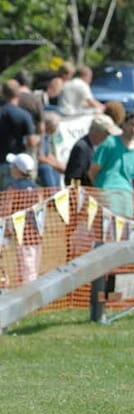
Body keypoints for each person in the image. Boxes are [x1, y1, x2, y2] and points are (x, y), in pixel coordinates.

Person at [88, 112, 134, 218]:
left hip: (127, 195)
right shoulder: (109, 143)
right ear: (124, 124)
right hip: (106, 191)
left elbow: (133, 177)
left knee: (125, 225)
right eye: (131, 124)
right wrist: (98, 189)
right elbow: (93, 171)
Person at [2, 153, 43, 283]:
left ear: (17, 169)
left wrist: (5, 228)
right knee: (31, 268)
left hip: (22, 234)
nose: (10, 168)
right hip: (36, 234)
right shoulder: (37, 188)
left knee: (26, 271)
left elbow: (6, 209)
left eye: (13, 166)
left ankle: (30, 294)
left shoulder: (12, 186)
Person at [0, 80, 39, 190]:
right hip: (16, 166)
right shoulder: (23, 115)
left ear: (3, 93)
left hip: (5, 162)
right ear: (18, 94)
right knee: (16, 198)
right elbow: (32, 142)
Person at [64, 114, 120, 186]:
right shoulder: (81, 148)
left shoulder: (96, 147)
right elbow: (74, 177)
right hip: (83, 191)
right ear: (97, 131)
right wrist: (78, 192)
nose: (109, 137)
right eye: (108, 133)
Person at [37, 111, 66, 188]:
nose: (57, 128)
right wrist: (56, 165)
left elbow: (48, 155)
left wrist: (60, 166)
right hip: (40, 167)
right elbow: (40, 158)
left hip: (48, 165)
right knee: (46, 168)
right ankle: (52, 192)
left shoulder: (47, 136)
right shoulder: (39, 136)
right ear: (48, 125)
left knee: (56, 171)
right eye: (55, 126)